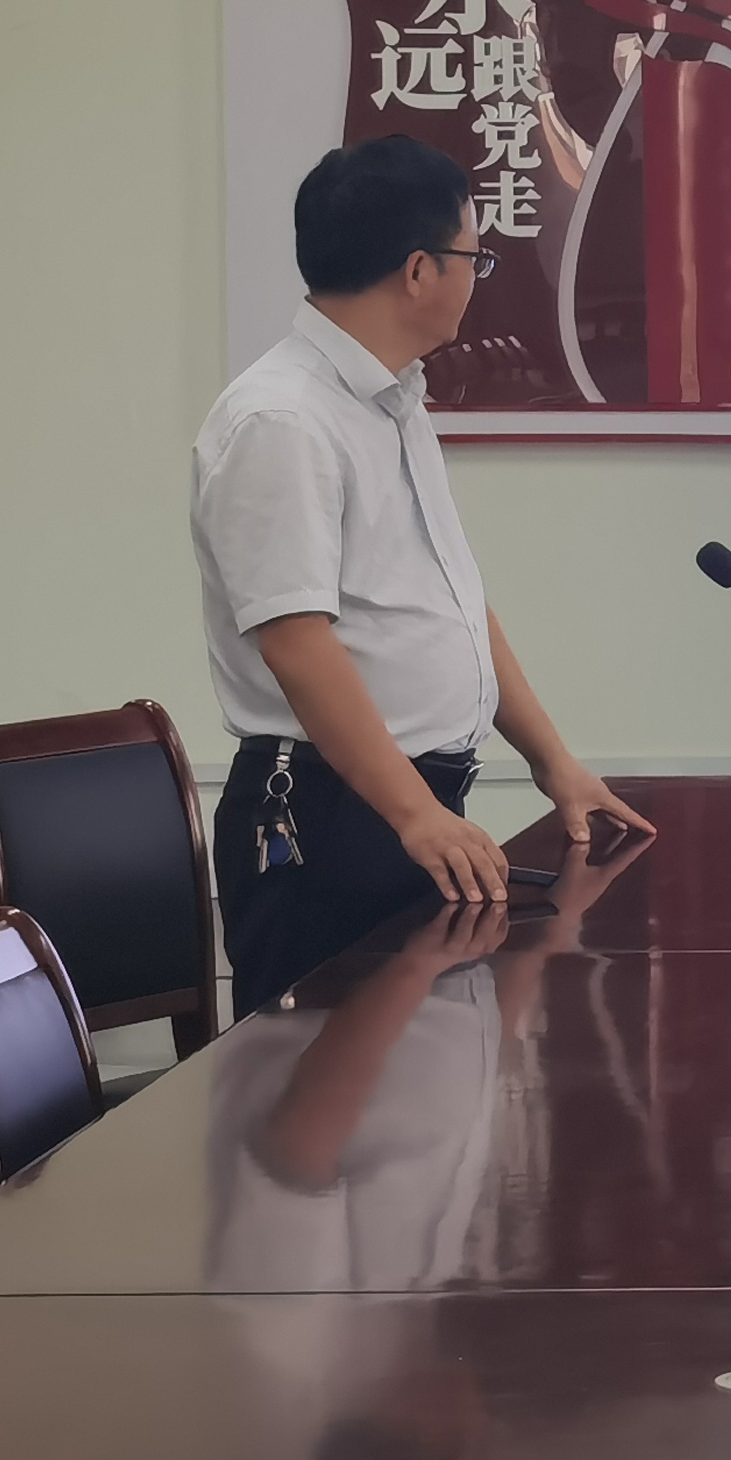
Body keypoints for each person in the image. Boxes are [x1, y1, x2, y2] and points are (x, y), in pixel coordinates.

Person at [192, 137, 649, 1006]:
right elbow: (296, 644)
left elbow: (457, 604)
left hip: (408, 806)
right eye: (475, 257)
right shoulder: (282, 420)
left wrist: (553, 761)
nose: (478, 279)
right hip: (329, 815)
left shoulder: (394, 402)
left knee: (420, 1083)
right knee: (320, 1080)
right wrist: (412, 814)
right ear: (418, 270)